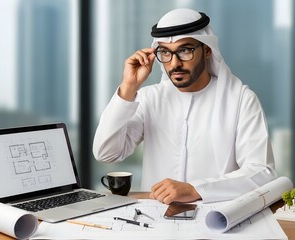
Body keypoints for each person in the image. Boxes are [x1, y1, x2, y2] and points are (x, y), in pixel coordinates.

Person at [93, 8, 277, 204]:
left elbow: (262, 172)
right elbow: (106, 152)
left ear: (207, 50)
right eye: (165, 52)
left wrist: (196, 189)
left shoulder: (240, 99)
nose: (174, 63)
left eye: (184, 51)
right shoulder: (150, 98)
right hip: (155, 222)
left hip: (216, 220)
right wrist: (129, 87)